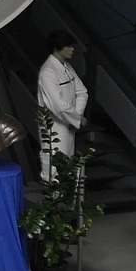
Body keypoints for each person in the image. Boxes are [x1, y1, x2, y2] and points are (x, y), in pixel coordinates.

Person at [36, 30, 88, 183]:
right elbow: (57, 105)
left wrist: (76, 117)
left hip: (68, 124)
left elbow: (82, 92)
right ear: (57, 47)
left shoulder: (67, 67)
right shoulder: (48, 72)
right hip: (54, 126)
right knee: (54, 165)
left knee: (68, 166)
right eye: (68, 46)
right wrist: (76, 119)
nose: (72, 49)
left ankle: (66, 197)